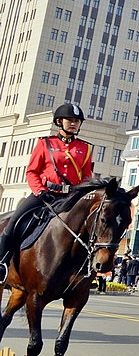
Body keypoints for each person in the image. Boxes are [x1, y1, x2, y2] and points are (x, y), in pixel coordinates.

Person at [0, 103, 93, 284]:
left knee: (90, 227)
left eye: (77, 121)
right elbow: (32, 171)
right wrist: (40, 190)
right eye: (70, 120)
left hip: (70, 198)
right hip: (44, 194)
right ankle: (2, 262)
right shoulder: (45, 143)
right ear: (59, 121)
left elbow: (86, 177)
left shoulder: (85, 149)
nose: (74, 124)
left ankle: (85, 270)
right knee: (15, 222)